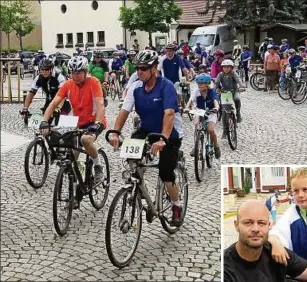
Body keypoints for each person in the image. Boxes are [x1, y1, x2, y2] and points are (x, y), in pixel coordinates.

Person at [109, 50, 184, 226]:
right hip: (147, 129)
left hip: (170, 133)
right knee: (131, 154)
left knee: (165, 172)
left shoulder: (166, 86)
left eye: (144, 68)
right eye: (138, 68)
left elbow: (169, 114)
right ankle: (138, 186)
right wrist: (115, 132)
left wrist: (163, 139)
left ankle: (176, 206)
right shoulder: (135, 87)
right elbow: (124, 111)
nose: (139, 71)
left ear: (154, 68)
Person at [39, 56, 107, 209]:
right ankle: (77, 193)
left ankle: (98, 166)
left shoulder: (93, 82)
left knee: (86, 140)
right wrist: (44, 121)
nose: (75, 76)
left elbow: (100, 105)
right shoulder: (68, 84)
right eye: (73, 72)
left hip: (95, 121)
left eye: (79, 72)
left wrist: (97, 123)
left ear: (85, 71)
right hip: (78, 122)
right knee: (71, 155)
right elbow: (54, 103)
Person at [223, 199, 307, 282]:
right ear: (236, 225)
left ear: (269, 225)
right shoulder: (226, 267)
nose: (255, 229)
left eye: (261, 223)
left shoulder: (277, 253)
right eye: (248, 223)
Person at [21, 58, 71, 125]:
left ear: (51, 69)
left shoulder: (59, 76)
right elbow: (31, 93)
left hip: (63, 102)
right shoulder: (39, 78)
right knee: (44, 125)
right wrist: (25, 108)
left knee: (59, 126)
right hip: (49, 102)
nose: (44, 71)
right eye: (42, 69)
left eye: (47, 69)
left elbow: (63, 95)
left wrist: (58, 108)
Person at [184, 73, 221, 159]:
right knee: (196, 124)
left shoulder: (211, 91)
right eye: (198, 84)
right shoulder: (196, 91)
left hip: (211, 111)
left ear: (207, 84)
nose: (199, 86)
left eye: (201, 84)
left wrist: (216, 107)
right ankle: (196, 146)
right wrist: (186, 108)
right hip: (199, 110)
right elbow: (190, 100)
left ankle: (216, 145)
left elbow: (215, 100)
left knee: (210, 129)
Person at [214, 59, 245, 128]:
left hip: (234, 91)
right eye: (224, 67)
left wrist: (242, 86)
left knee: (237, 99)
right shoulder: (220, 74)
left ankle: (238, 113)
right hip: (224, 91)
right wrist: (214, 90)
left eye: (228, 67)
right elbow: (216, 83)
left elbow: (238, 80)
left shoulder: (233, 73)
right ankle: (222, 113)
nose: (226, 68)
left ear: (231, 68)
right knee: (219, 101)